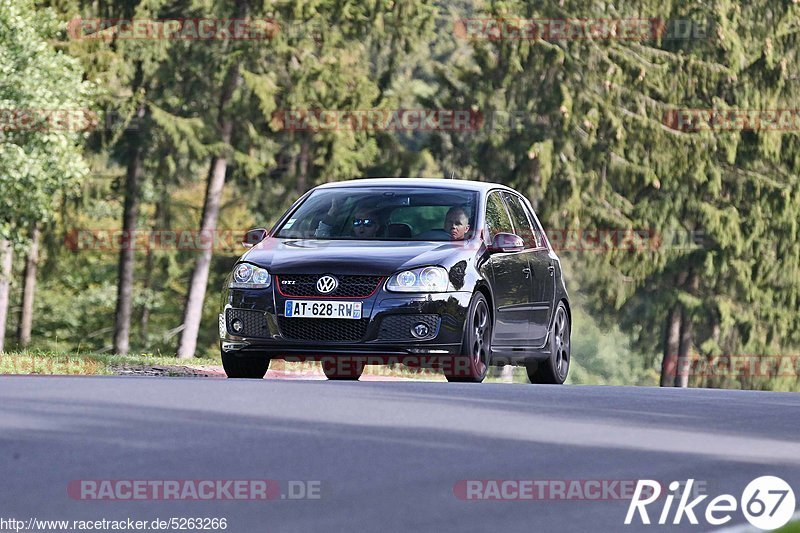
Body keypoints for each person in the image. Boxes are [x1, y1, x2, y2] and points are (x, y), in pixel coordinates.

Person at [314, 197, 382, 238]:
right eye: (357, 222)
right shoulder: (344, 242)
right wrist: (333, 211)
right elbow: (321, 237)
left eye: (367, 222)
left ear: (377, 227)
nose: (361, 227)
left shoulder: (383, 246)